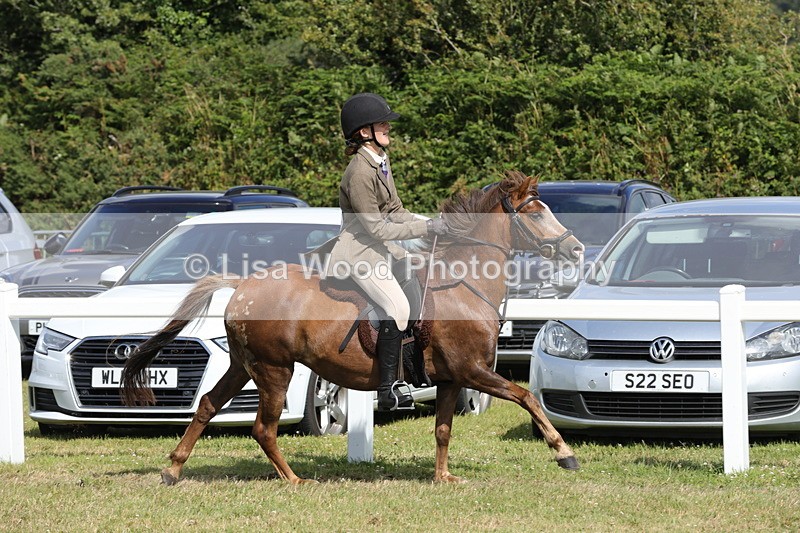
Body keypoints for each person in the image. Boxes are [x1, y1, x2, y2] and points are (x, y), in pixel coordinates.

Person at [328, 92, 447, 411]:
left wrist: (433, 222)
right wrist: (426, 229)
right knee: (395, 306)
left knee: (415, 287)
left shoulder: (379, 162)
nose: (387, 127)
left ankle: (412, 365)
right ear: (364, 132)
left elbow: (395, 208)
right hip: (360, 254)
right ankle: (388, 387)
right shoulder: (359, 172)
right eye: (382, 123)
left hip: (381, 250)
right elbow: (376, 228)